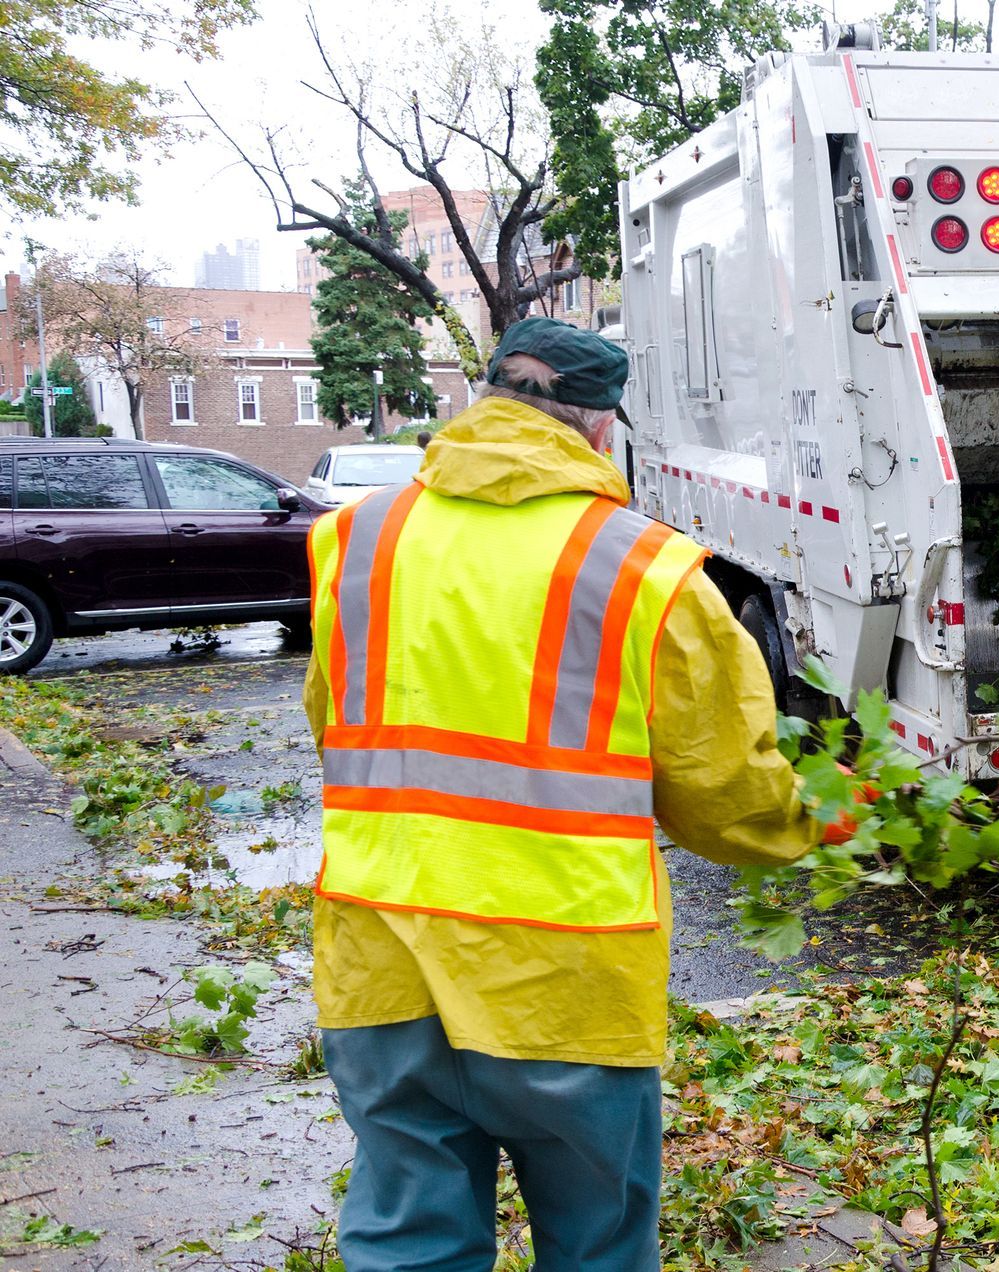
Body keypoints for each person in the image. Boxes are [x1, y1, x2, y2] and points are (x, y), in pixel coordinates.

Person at [302, 316, 820, 1270]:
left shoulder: (355, 540)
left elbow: (333, 720)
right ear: (596, 429)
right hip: (564, 984)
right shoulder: (642, 568)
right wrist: (820, 819)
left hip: (381, 961)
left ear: (487, 397)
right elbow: (728, 797)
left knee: (407, 1241)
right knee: (595, 1250)